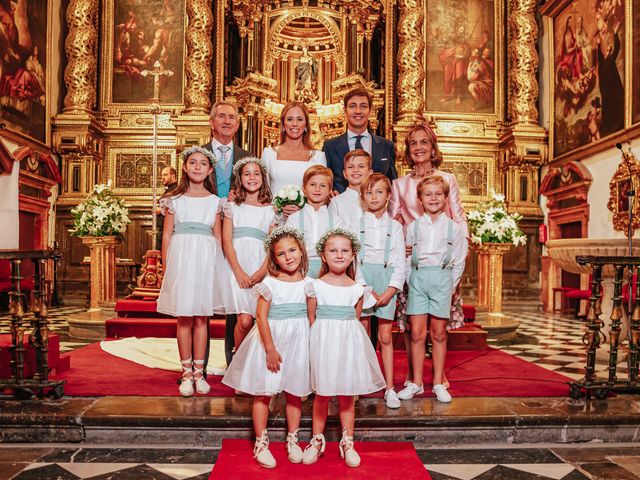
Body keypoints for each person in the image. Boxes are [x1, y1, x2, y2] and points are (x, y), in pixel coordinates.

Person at [222, 227, 311, 469]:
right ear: (273, 258)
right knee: (264, 392)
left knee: (295, 393)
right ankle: (260, 441)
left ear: (302, 252)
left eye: (292, 250)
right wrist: (270, 349)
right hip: (272, 342)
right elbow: (261, 317)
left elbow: (313, 318)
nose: (288, 257)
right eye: (281, 254)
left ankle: (293, 439)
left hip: (299, 343)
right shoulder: (269, 283)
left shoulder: (309, 284)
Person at [388, 123, 468, 389]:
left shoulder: (448, 179)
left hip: (441, 261)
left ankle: (439, 376)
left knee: (439, 327)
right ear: (408, 150)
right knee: (413, 326)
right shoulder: (399, 184)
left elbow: (458, 217)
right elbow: (393, 220)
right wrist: (402, 246)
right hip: (414, 264)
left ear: (433, 148)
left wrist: (459, 255)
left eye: (424, 142)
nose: (419, 148)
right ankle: (414, 376)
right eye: (413, 143)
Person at [303, 228, 385, 467]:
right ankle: (317, 440)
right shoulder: (314, 285)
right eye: (333, 250)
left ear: (352, 256)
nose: (339, 255)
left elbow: (355, 320)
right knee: (322, 393)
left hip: (348, 344)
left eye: (344, 251)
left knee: (347, 395)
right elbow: (312, 319)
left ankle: (347, 441)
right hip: (323, 342)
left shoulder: (358, 289)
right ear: (323, 255)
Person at [157, 146, 224, 396]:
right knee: (184, 316)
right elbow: (167, 235)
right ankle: (185, 373)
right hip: (182, 258)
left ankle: (199, 372)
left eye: (203, 163)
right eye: (192, 162)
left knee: (201, 317)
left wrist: (220, 268)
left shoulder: (216, 202)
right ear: (184, 167)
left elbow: (217, 236)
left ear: (209, 170)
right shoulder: (174, 201)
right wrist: (167, 266)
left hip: (206, 259)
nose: (197, 167)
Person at [398, 176, 467, 403]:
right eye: (428, 194)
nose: (433, 198)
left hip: (442, 279)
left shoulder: (454, 228)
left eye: (438, 194)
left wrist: (450, 285)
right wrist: (410, 280)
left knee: (438, 333)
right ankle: (416, 383)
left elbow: (458, 260)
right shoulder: (413, 227)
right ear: (420, 199)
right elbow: (407, 258)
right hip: (418, 278)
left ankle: (438, 382)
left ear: (446, 198)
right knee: (416, 333)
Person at [349, 173, 405, 409]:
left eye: (379, 192)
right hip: (364, 282)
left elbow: (400, 261)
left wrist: (391, 290)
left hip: (386, 279)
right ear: (362, 197)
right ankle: (359, 385)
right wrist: (363, 288)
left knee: (384, 337)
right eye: (369, 192)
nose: (374, 196)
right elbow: (354, 260)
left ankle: (389, 387)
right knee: (361, 336)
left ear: (388, 196)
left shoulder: (395, 226)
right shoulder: (355, 224)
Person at [202, 100, 251, 367]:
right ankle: (201, 362)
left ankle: (234, 362)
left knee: (235, 298)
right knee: (204, 300)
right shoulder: (198, 153)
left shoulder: (246, 156)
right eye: (221, 116)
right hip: (206, 233)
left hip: (236, 234)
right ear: (212, 122)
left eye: (232, 117)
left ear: (238, 123)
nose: (227, 121)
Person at [221, 157, 276, 353]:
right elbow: (226, 240)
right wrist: (238, 272)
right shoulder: (232, 207)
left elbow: (272, 245)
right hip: (237, 267)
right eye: (247, 174)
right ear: (240, 178)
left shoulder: (272, 210)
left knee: (260, 318)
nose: (252, 178)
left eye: (256, 173)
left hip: (261, 266)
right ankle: (238, 360)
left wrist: (262, 272)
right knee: (244, 321)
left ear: (263, 178)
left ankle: (253, 362)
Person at [323, 88, 397, 193]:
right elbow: (324, 181)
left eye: (363, 106)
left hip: (376, 206)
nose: (358, 111)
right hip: (341, 206)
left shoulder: (386, 146)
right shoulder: (329, 146)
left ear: (370, 111)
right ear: (345, 111)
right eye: (353, 106)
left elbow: (392, 183)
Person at [262, 101, 326, 199]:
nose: (294, 124)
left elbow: (322, 195)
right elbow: (262, 191)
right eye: (290, 119)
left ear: (306, 125)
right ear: (283, 124)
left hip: (306, 213)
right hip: (274, 213)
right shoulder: (269, 154)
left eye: (300, 119)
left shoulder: (318, 157)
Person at [285, 165, 338, 278]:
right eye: (312, 185)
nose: (317, 189)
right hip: (299, 270)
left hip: (329, 271)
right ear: (304, 188)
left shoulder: (336, 220)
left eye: (322, 186)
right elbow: (288, 247)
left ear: (329, 190)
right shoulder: (294, 218)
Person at [328, 149, 372, 227]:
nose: (355, 170)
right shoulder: (336, 203)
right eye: (351, 167)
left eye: (361, 166)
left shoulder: (376, 201)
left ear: (370, 173)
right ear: (344, 174)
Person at [155, 166, 178, 251]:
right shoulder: (169, 190)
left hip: (170, 231)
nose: (162, 178)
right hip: (163, 230)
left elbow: (176, 207)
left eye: (165, 175)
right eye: (162, 175)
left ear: (173, 176)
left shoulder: (176, 190)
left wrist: (161, 210)